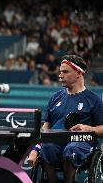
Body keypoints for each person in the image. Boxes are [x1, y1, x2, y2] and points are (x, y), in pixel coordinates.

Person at [27, 54, 103, 183]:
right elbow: (46, 127)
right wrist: (35, 149)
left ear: (79, 73)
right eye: (60, 72)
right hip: (56, 142)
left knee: (71, 149)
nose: (60, 75)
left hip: (81, 143)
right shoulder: (55, 97)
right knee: (47, 148)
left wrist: (89, 128)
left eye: (65, 72)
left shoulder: (93, 99)